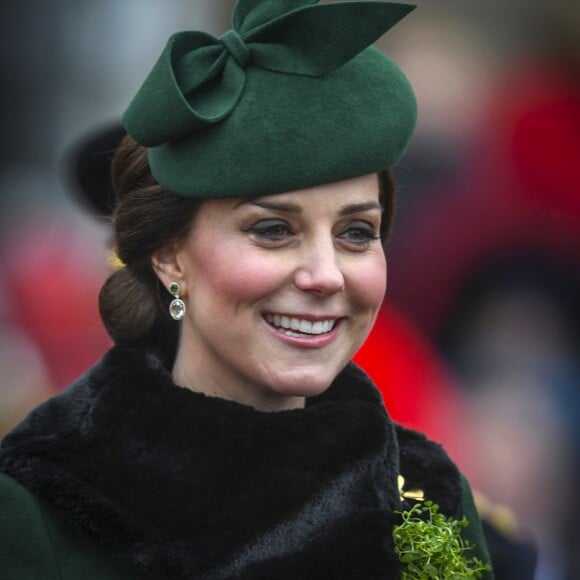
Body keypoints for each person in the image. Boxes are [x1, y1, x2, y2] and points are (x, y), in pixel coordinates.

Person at [0, 1, 493, 578]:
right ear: (168, 255)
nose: (326, 274)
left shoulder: (428, 495)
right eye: (273, 230)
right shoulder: (39, 505)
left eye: (356, 233)